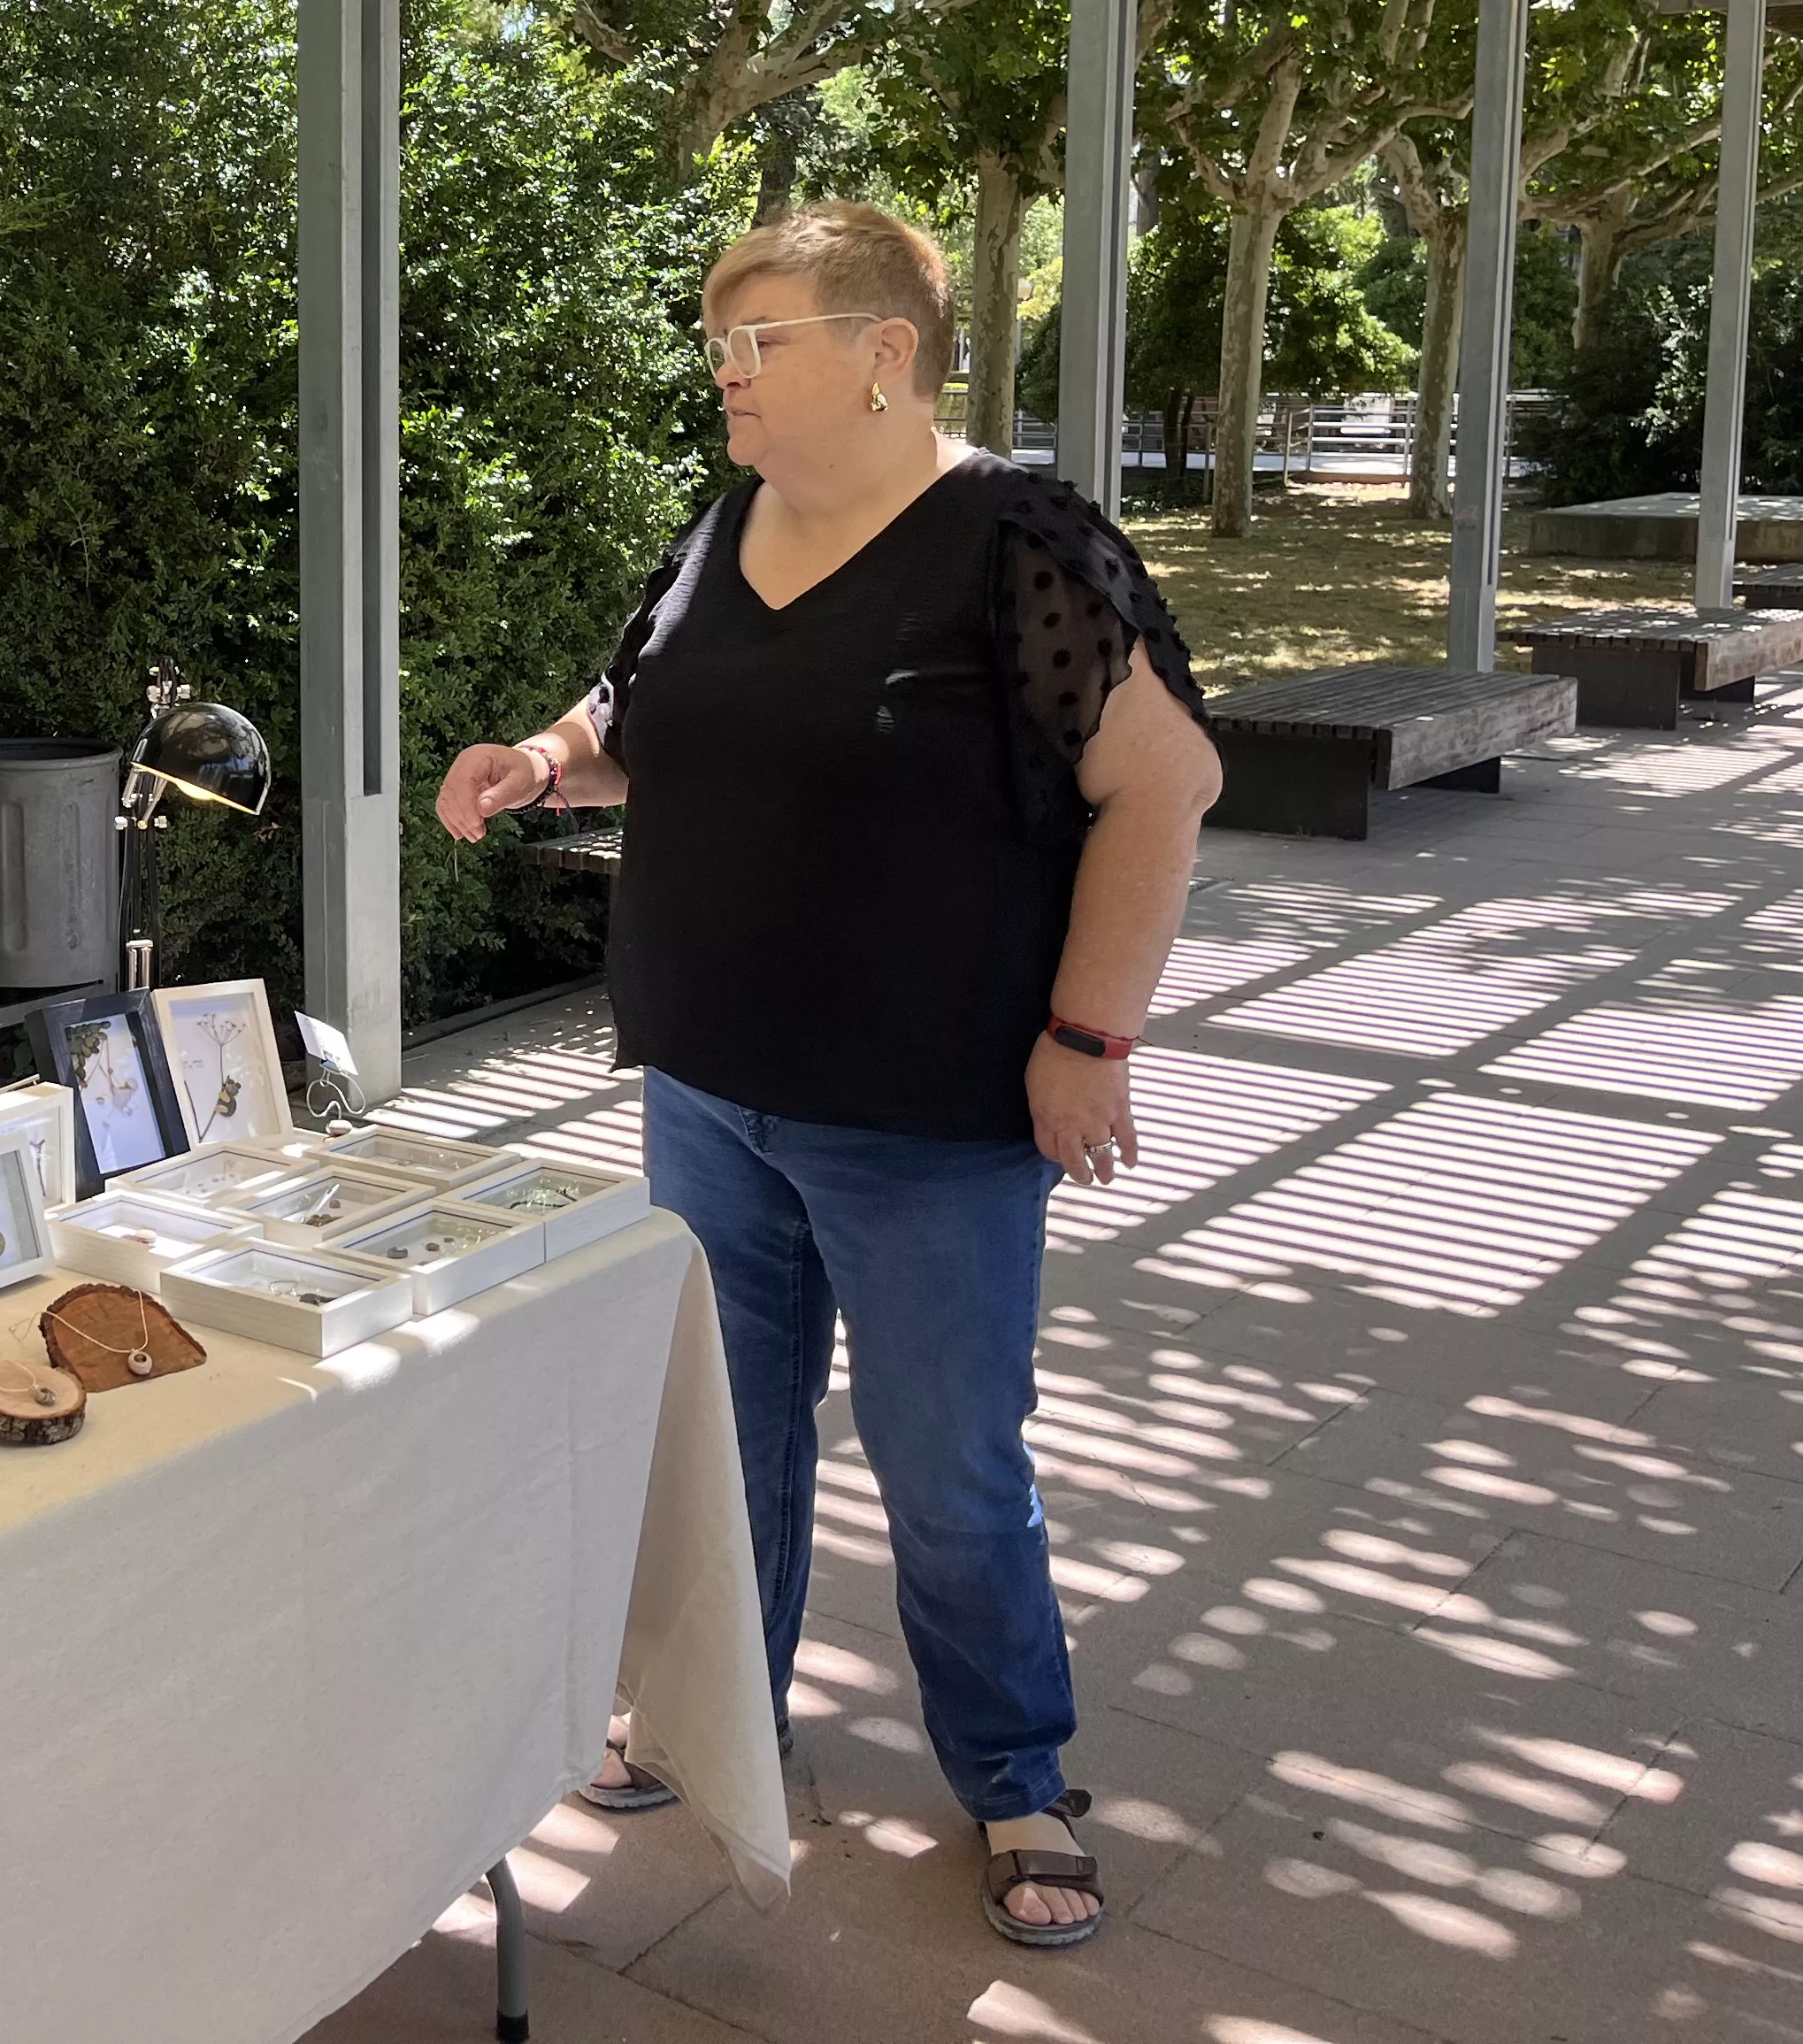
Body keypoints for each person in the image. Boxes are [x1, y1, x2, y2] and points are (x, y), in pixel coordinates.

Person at [433, 203, 1223, 1951]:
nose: (723, 373)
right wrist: (542, 760)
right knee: (726, 1441)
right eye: (716, 343)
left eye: (758, 341)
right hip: (708, 1086)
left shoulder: (1016, 539)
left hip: (928, 1115)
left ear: (884, 352)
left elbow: (1164, 784)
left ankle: (1012, 1774)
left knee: (949, 1471)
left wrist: (1088, 1035)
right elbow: (633, 720)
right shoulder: (722, 528)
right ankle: (715, 1720)